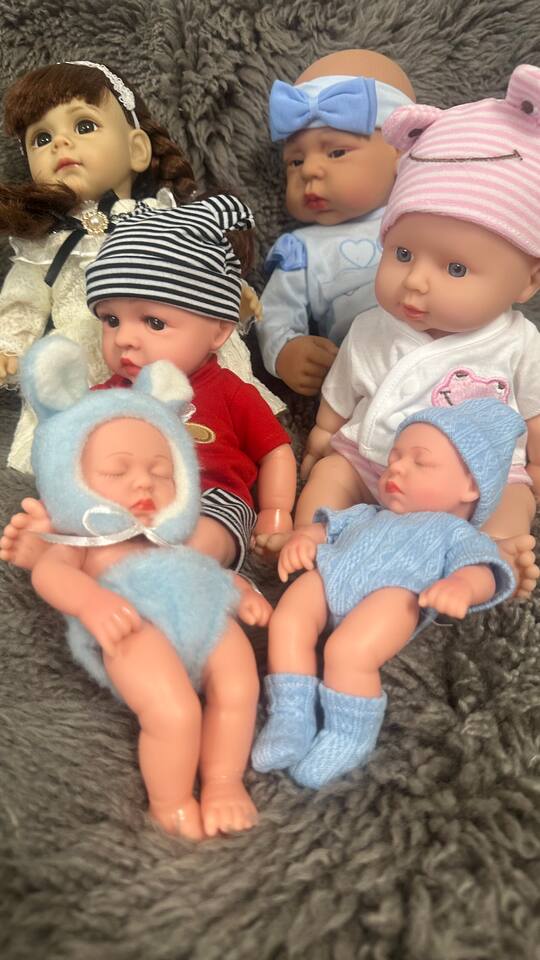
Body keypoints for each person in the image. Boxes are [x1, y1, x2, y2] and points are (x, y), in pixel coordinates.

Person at [293, 63, 540, 594]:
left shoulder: (520, 343)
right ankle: (309, 540)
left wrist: (536, 468)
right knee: (332, 476)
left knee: (514, 495)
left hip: (475, 481)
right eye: (402, 254)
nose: (416, 282)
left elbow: (534, 413)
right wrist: (321, 438)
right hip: (375, 461)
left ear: (528, 281)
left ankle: (492, 554)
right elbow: (341, 394)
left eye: (456, 269)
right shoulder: (372, 327)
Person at [17, 335, 268, 840]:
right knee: (175, 712)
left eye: (161, 471)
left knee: (240, 687)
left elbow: (198, 569)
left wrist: (240, 589)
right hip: (132, 626)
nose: (145, 483)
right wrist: (92, 601)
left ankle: (223, 784)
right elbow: (51, 573)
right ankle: (171, 802)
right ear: (68, 476)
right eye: (117, 470)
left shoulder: (171, 537)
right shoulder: (87, 541)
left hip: (205, 616)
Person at [0, 61, 283, 473]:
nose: (60, 143)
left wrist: (230, 293)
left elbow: (198, 269)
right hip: (90, 363)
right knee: (86, 448)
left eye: (83, 126)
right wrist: (9, 347)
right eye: (41, 138)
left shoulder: (164, 219)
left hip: (175, 354)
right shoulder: (44, 246)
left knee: (208, 415)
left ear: (137, 149)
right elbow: (22, 300)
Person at [2, 194, 297, 572]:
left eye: (154, 322)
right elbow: (72, 454)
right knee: (89, 512)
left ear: (219, 330)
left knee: (214, 528)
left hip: (210, 497)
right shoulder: (106, 399)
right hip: (127, 499)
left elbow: (276, 451)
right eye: (111, 320)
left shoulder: (231, 392)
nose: (124, 338)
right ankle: (93, 560)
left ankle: (173, 565)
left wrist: (275, 512)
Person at [252, 399, 523, 789]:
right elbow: (326, 529)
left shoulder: (455, 533)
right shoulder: (368, 512)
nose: (396, 468)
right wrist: (304, 541)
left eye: (420, 462)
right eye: (394, 458)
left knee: (349, 651)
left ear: (470, 486)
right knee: (288, 619)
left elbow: (483, 568)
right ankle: (291, 715)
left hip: (397, 592)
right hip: (331, 572)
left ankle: (349, 733)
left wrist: (462, 586)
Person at [256, 49, 415, 395]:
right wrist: (286, 351)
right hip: (371, 388)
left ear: (401, 153)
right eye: (295, 161)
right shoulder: (304, 250)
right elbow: (274, 313)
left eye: (336, 152)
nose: (310, 170)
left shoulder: (429, 213)